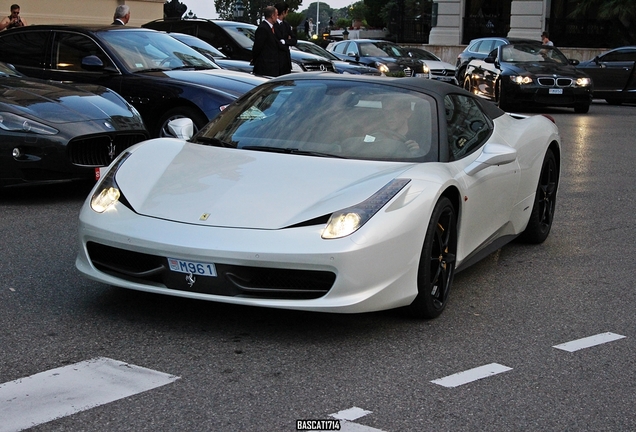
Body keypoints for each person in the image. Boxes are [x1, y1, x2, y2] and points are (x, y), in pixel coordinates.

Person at [252, 6, 287, 77]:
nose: (277, 17)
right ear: (272, 16)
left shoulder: (271, 28)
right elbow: (258, 47)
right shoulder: (263, 29)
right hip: (265, 67)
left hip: (272, 66)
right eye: (276, 15)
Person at [275, 2, 297, 75]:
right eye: (287, 12)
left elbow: (294, 40)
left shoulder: (286, 25)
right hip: (276, 61)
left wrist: (285, 41)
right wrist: (288, 40)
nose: (287, 14)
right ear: (283, 12)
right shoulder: (273, 25)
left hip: (286, 61)